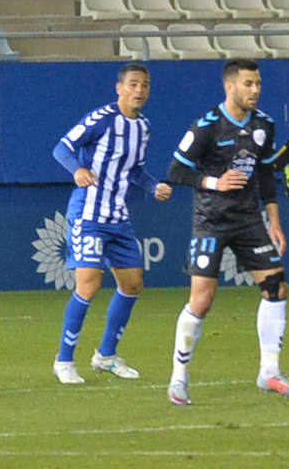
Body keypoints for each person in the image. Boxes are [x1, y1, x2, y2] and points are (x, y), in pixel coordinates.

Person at [166, 58, 289, 406]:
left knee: (276, 285)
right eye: (248, 84)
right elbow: (177, 171)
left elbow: (267, 174)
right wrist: (215, 181)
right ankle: (178, 378)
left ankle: (269, 372)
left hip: (248, 220)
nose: (255, 90)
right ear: (230, 87)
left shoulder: (265, 125)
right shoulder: (207, 126)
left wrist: (275, 221)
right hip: (210, 221)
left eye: (257, 83)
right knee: (202, 299)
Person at [52, 63, 173, 385]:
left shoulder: (143, 128)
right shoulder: (101, 119)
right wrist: (77, 170)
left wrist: (153, 186)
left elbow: (134, 170)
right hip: (88, 215)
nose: (139, 90)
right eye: (133, 84)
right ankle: (64, 360)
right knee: (89, 284)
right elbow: (62, 147)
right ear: (119, 88)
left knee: (132, 284)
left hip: (118, 218)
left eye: (145, 85)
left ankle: (106, 355)